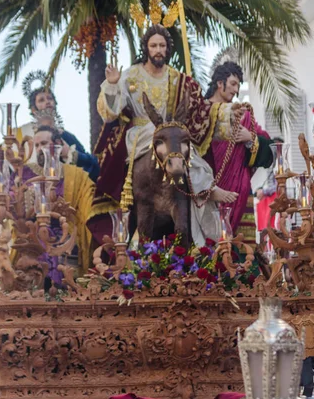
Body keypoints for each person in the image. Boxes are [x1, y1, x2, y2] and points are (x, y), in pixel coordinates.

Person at [89, 19, 238, 246]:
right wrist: (111, 85)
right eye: (153, 45)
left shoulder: (176, 78)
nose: (158, 50)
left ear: (167, 49)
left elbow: (199, 110)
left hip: (170, 134)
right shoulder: (130, 75)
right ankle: (205, 186)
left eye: (162, 46)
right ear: (146, 48)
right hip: (140, 135)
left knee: (180, 140)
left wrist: (226, 115)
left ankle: (202, 189)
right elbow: (109, 113)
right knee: (168, 134)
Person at [10, 124, 95, 277]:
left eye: (43, 143)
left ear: (57, 144)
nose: (38, 149)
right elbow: (12, 207)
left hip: (67, 241)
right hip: (34, 241)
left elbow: (88, 208)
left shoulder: (77, 176)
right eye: (36, 145)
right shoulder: (24, 173)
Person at [203, 61, 273, 241]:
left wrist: (250, 138)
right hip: (208, 191)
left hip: (240, 196)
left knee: (243, 256)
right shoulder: (201, 112)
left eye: (239, 85)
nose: (236, 90)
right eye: (233, 84)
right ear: (220, 83)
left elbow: (270, 149)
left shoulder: (243, 115)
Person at [18, 70, 99, 181]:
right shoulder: (24, 135)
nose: (47, 102)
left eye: (50, 98)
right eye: (41, 100)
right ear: (33, 109)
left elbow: (93, 166)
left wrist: (70, 154)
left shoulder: (66, 137)